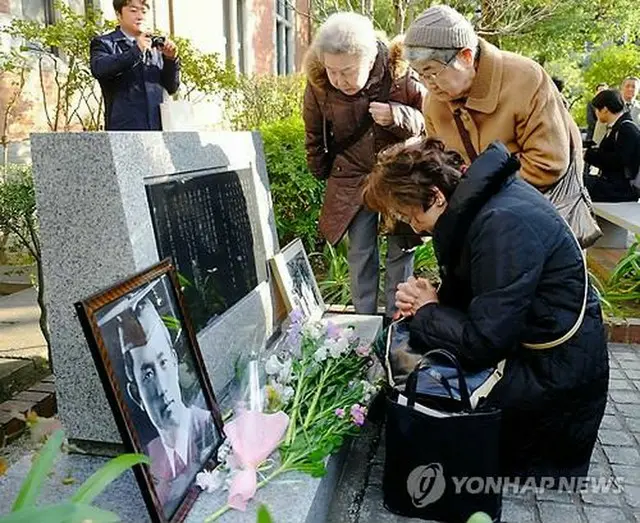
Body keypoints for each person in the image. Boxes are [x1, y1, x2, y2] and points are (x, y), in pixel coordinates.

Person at [363, 137, 609, 484]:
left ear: (436, 196)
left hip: (552, 380)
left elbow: (484, 341)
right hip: (542, 354)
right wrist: (431, 299)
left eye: (410, 215)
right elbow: (486, 298)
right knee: (411, 371)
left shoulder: (502, 223)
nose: (414, 227)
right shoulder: (486, 205)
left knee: (426, 409)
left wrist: (429, 309)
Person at [303, 12, 427, 325]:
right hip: (354, 177)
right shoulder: (319, 84)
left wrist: (398, 115)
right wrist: (320, 169)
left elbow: (431, 124)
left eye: (346, 71)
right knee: (360, 253)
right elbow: (314, 134)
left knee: (401, 249)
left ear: (370, 58)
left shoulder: (400, 73)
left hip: (398, 175)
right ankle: (364, 325)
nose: (337, 80)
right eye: (331, 70)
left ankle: (397, 322)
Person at [403, 5, 582, 190]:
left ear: (466, 56)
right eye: (419, 75)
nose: (427, 84)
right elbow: (443, 167)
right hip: (478, 209)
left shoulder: (526, 79)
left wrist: (478, 193)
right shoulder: (434, 102)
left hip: (537, 205)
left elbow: (547, 164)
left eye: (431, 72)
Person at [119, 298, 218, 512]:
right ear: (136, 394)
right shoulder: (147, 458)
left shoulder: (210, 428)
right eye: (147, 375)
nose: (162, 386)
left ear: (175, 362)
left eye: (163, 363)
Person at [90, 0, 180, 130]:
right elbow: (99, 69)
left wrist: (171, 60)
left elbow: (171, 87)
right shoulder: (105, 43)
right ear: (118, 14)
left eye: (143, 11)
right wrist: (136, 50)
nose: (140, 16)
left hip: (157, 130)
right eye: (133, 10)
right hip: (123, 130)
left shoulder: (156, 45)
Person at [585, 89, 640, 202]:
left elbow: (618, 161)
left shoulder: (626, 129)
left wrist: (588, 154)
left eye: (597, 109)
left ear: (605, 109)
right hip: (612, 185)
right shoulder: (617, 127)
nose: (595, 112)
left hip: (621, 189)